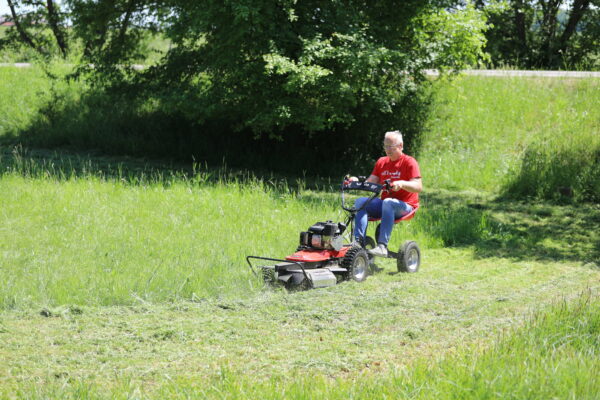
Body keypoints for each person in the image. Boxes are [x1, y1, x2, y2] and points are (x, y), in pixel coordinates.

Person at [351, 130, 422, 257]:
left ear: (400, 146)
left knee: (389, 202)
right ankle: (358, 243)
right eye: (385, 146)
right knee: (360, 202)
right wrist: (356, 181)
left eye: (391, 146)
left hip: (406, 206)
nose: (387, 149)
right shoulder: (382, 162)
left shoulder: (409, 162)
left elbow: (418, 186)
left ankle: (382, 246)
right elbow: (370, 182)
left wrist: (402, 183)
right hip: (385, 204)